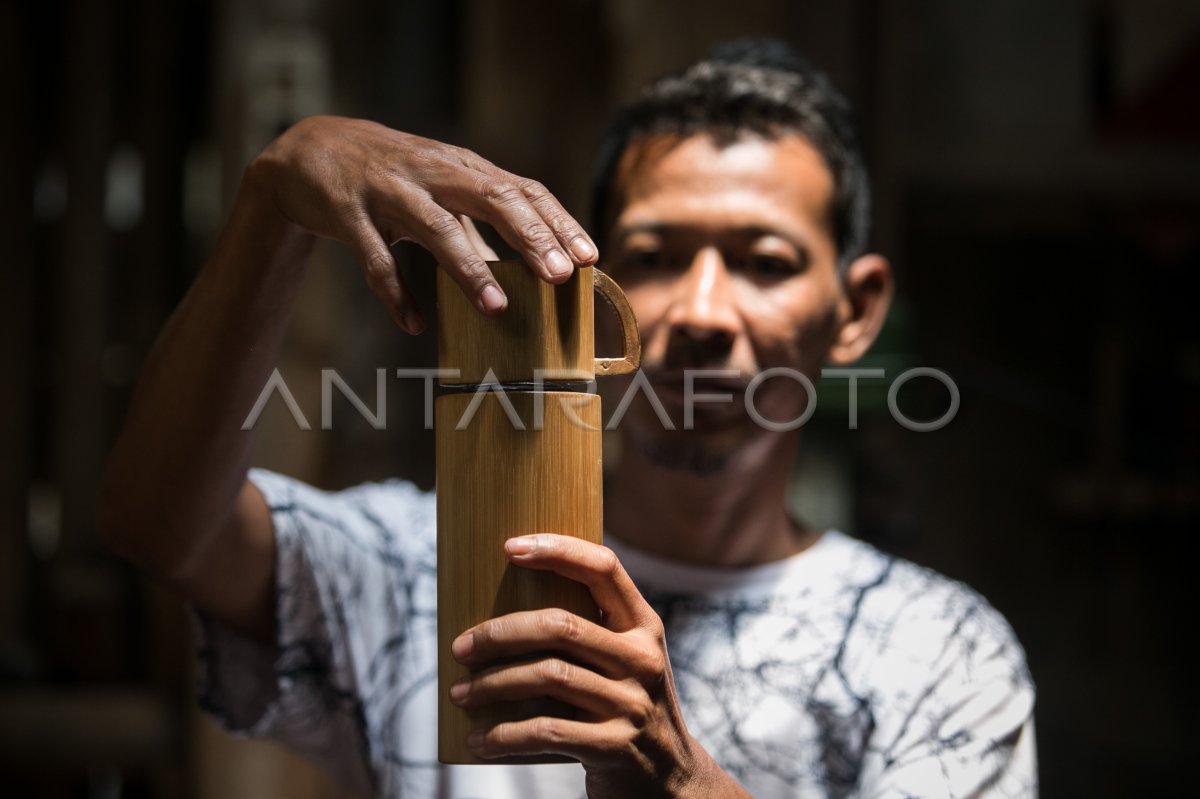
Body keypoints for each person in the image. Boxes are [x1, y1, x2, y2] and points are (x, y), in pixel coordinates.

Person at [101, 39, 1036, 798]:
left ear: (856, 310)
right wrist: (272, 205)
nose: (704, 312)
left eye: (764, 261)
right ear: (592, 283)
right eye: (656, 255)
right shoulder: (423, 568)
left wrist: (681, 779)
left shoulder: (937, 648)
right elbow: (157, 525)